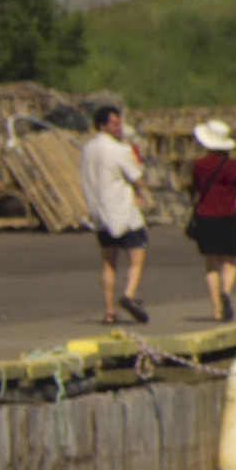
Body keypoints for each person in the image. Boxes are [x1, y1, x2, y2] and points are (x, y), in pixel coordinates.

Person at [78, 103, 149, 327]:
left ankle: (109, 310)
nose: (119, 127)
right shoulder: (118, 150)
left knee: (108, 261)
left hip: (99, 212)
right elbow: (136, 176)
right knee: (137, 257)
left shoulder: (87, 149)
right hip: (122, 211)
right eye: (115, 123)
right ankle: (128, 294)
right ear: (102, 125)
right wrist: (141, 192)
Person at [185, 118, 236, 325]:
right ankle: (227, 292)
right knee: (230, 261)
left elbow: (194, 188)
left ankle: (217, 309)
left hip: (206, 215)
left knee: (211, 264)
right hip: (228, 214)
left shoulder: (200, 165)